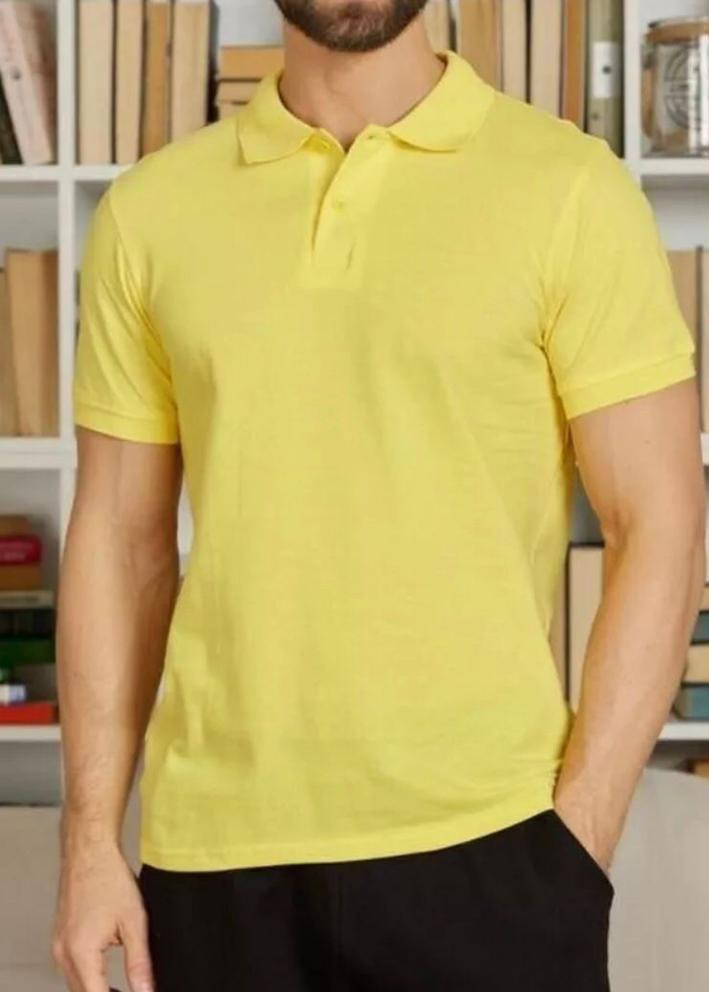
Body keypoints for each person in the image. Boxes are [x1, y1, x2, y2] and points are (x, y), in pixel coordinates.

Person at [51, 2, 705, 990]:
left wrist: (580, 837)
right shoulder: (150, 212)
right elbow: (118, 539)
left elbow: (659, 521)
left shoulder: (569, 189)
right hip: (215, 857)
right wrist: (89, 837)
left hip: (493, 845)